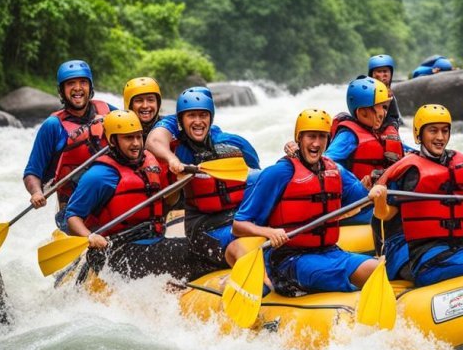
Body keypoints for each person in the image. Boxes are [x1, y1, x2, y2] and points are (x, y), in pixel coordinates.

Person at [232, 109, 382, 294]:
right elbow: (238, 225)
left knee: (377, 271)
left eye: (322, 137)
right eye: (311, 136)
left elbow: (362, 200)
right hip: (289, 259)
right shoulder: (278, 173)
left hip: (330, 251)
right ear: (299, 138)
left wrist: (374, 192)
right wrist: (269, 232)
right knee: (333, 275)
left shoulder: (335, 171)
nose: (316, 143)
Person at [369, 105, 463, 287]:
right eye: (433, 131)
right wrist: (379, 200)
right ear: (419, 134)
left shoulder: (456, 162)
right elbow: (384, 215)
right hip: (427, 258)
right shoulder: (408, 170)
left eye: (445, 131)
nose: (440, 137)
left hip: (458, 247)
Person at [146, 87, 261, 268]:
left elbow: (259, 178)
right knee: (242, 246)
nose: (198, 121)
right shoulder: (178, 145)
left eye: (203, 115)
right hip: (204, 227)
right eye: (191, 116)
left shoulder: (233, 143)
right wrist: (173, 161)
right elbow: (153, 141)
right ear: (181, 120)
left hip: (238, 220)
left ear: (211, 117)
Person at [23, 60, 117, 228]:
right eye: (70, 83)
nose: (77, 88)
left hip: (111, 200)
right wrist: (37, 192)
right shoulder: (52, 126)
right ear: (62, 91)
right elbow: (32, 172)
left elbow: (134, 138)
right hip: (74, 210)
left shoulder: (109, 111)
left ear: (90, 87)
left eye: (83, 82)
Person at [64, 110, 167, 248]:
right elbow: (72, 216)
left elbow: (168, 200)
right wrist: (90, 237)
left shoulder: (151, 162)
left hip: (155, 239)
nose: (136, 143)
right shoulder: (98, 176)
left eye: (139, 137)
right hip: (118, 249)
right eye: (129, 138)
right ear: (113, 140)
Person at [327, 76, 406, 188]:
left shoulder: (382, 133)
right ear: (363, 112)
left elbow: (405, 148)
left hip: (386, 197)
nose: (384, 113)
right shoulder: (348, 135)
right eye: (381, 107)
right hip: (361, 200)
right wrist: (355, 185)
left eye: (385, 108)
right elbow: (327, 164)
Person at [367, 54, 403, 128]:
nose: (383, 75)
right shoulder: (366, 93)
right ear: (372, 75)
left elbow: (396, 119)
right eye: (379, 71)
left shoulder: (391, 96)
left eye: (385, 71)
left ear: (391, 74)